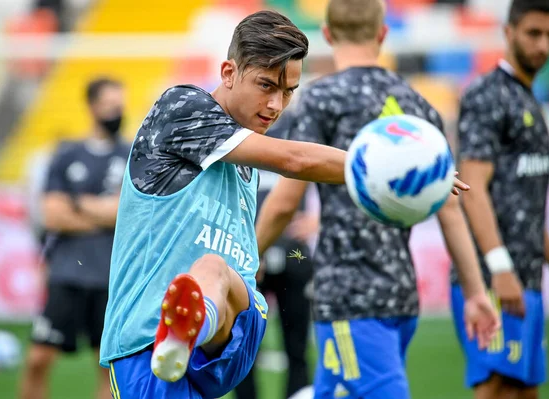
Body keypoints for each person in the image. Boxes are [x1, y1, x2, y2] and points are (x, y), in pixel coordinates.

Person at [98, 9, 470, 399]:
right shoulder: (182, 108)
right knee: (211, 269)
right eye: (266, 85)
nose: (277, 104)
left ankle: (193, 324)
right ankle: (187, 329)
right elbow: (295, 161)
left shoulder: (244, 154)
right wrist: (389, 165)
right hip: (147, 341)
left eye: (289, 91)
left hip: (230, 328)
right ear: (228, 72)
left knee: (214, 270)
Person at [254, 1, 500, 399]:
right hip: (402, 296)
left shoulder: (321, 99)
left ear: (329, 36)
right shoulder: (417, 104)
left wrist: (246, 260)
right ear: (382, 34)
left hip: (348, 296)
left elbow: (285, 202)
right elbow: (450, 207)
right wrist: (475, 293)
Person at [451, 1, 549, 398]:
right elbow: (472, 188)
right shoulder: (488, 95)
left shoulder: (528, 99)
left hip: (527, 278)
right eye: (533, 33)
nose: (542, 45)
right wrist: (499, 268)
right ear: (509, 32)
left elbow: (526, 209)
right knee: (497, 388)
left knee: (524, 390)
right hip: (492, 279)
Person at [20, 77, 130, 399]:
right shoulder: (66, 154)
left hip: (111, 276)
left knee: (107, 368)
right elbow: (52, 215)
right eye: (110, 106)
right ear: (93, 107)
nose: (116, 112)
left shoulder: (132, 155)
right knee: (38, 360)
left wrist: (78, 203)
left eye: (120, 106)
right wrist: (105, 212)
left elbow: (127, 214)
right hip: (67, 273)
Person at [234, 109, 319, 399]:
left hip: (292, 250)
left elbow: (326, 164)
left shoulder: (301, 120)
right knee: (241, 352)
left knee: (296, 347)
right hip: (244, 251)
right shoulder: (233, 120)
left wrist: (320, 219)